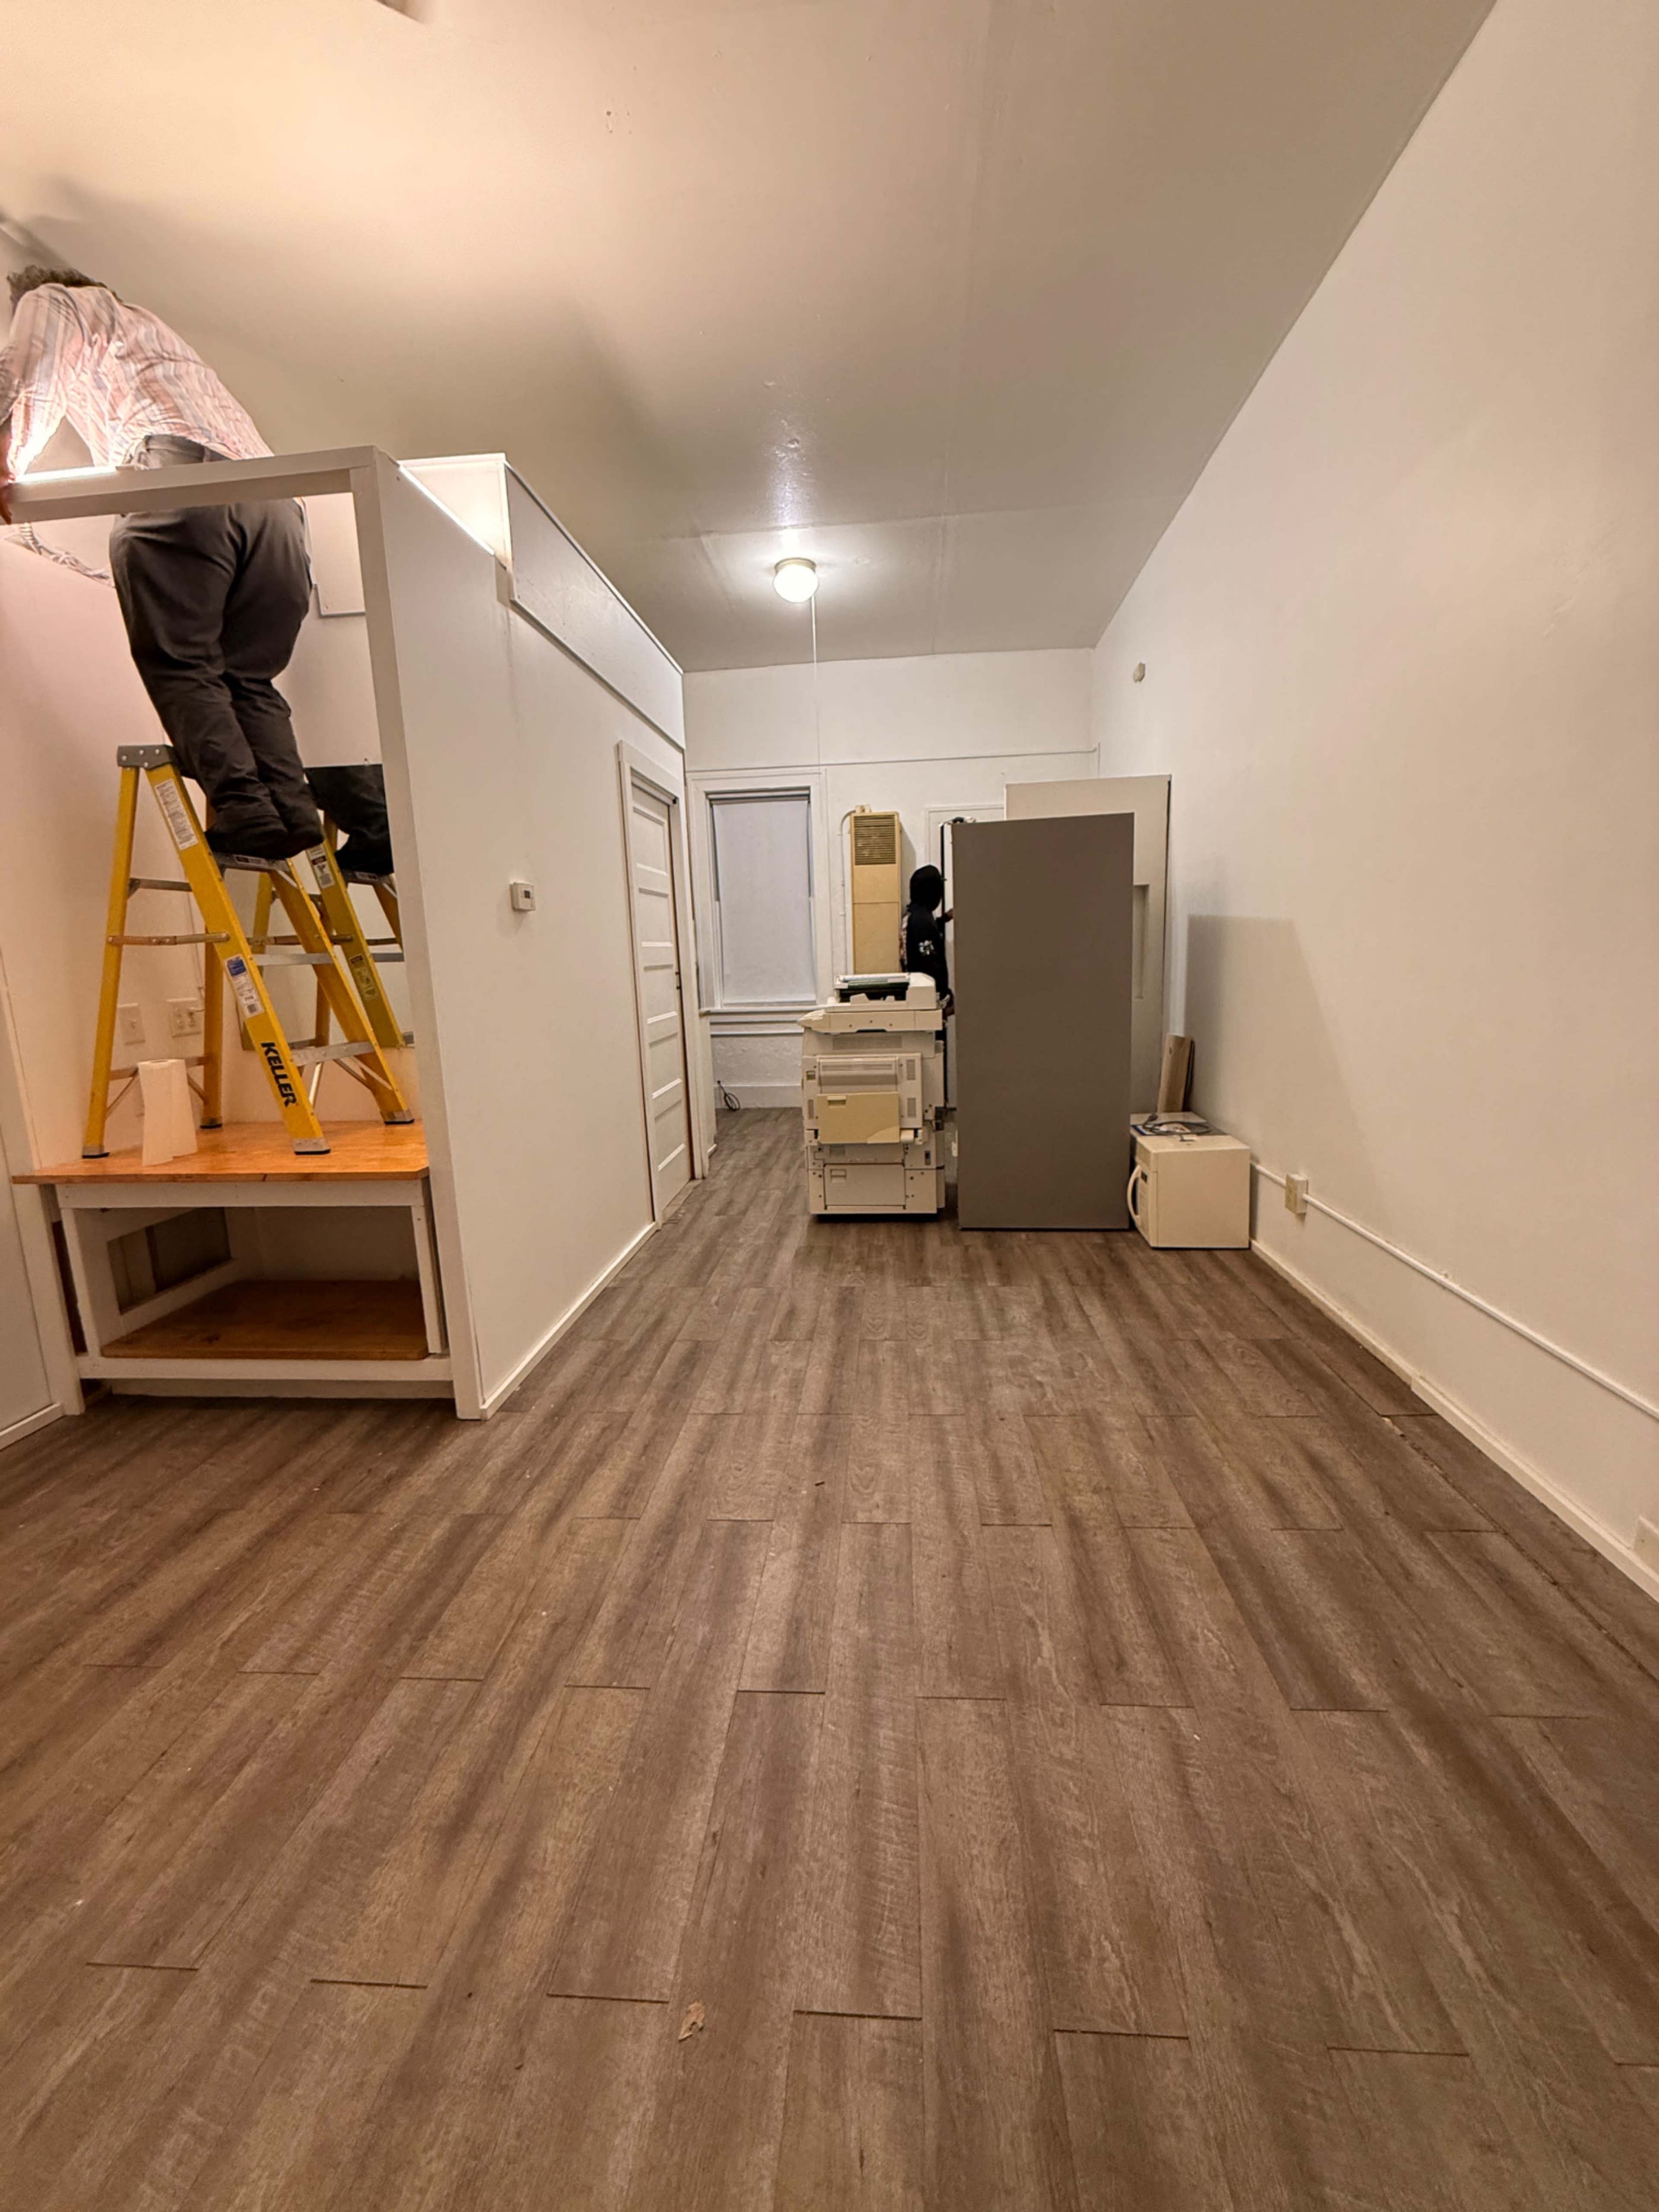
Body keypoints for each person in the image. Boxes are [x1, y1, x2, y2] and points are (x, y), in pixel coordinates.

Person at [0, 264, 324, 863]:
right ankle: (292, 812)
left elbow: (26, 374)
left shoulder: (68, 304)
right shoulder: (163, 345)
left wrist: (3, 454)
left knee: (181, 665)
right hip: (281, 512)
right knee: (247, 678)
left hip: (182, 476)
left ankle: (249, 814)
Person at [902, 862, 953, 1011]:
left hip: (923, 998)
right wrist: (945, 996)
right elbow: (929, 964)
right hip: (928, 1002)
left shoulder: (917, 915)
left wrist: (943, 920)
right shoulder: (922, 921)